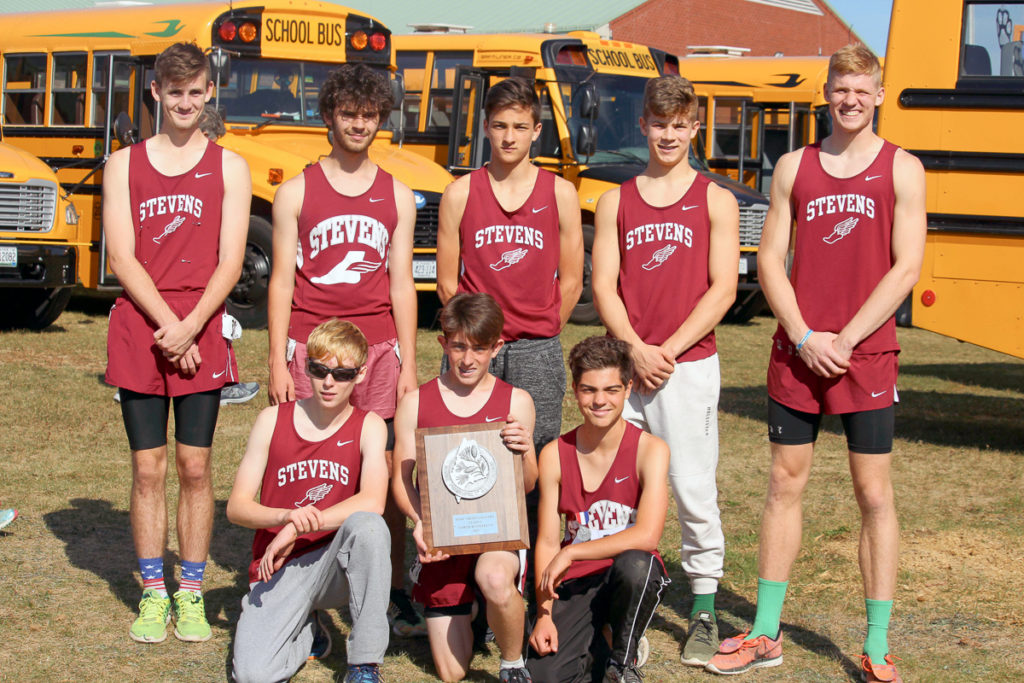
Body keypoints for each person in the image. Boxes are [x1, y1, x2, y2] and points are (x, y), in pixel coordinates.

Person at [705, 45, 925, 683]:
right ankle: (766, 632)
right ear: (825, 93)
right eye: (840, 90)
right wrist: (804, 336)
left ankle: (877, 645)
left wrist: (846, 339)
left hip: (866, 354)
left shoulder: (903, 170)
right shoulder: (794, 166)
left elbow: (905, 267)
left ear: (879, 94)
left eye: (862, 90)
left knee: (874, 494)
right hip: (798, 354)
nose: (850, 100)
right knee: (783, 485)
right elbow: (770, 258)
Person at [102, 42, 251, 644]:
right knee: (148, 467)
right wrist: (171, 325)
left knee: (194, 465)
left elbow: (232, 259)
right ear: (156, 93)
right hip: (144, 323)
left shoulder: (230, 166)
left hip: (202, 320)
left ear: (209, 93)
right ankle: (151, 593)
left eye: (197, 91)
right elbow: (121, 255)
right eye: (175, 91)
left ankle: (190, 591)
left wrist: (193, 327)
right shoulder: (123, 165)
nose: (186, 102)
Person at [266, 62, 422, 635]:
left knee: (382, 469)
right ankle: (305, 585)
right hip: (312, 345)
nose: (359, 124)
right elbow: (281, 280)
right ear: (329, 116)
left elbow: (401, 282)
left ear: (381, 118)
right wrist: (277, 359)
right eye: (348, 113)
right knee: (309, 464)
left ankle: (393, 585)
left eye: (370, 114)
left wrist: (408, 363)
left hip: (378, 349)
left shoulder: (398, 195)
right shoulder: (296, 191)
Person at [591, 74, 739, 666]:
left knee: (693, 489)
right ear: (644, 125)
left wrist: (666, 350)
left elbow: (723, 287)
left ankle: (702, 611)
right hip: (625, 368)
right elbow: (603, 283)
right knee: (614, 489)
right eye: (660, 123)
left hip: (688, 366)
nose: (669, 134)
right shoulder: (614, 200)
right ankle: (622, 606)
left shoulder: (715, 199)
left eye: (681, 125)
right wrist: (634, 349)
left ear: (695, 127)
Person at [228, 319, 390, 683]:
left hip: (337, 565)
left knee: (369, 528)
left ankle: (364, 665)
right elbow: (237, 507)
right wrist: (288, 518)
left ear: (361, 375)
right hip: (280, 566)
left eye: (342, 373)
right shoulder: (272, 419)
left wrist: (301, 526)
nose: (329, 382)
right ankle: (308, 633)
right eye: (320, 370)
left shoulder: (370, 425)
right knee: (254, 676)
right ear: (306, 366)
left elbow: (374, 501)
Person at [392, 293, 538, 682]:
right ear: (444, 343)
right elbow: (401, 480)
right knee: (452, 673)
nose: (467, 359)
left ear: (497, 347)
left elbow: (526, 485)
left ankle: (512, 664)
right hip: (445, 539)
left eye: (478, 348)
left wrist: (526, 453)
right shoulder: (415, 402)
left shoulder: (516, 401)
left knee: (493, 576)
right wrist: (420, 521)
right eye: (458, 346)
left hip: (496, 533)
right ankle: (476, 615)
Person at [436, 76, 583, 455]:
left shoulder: (561, 193)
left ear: (536, 131)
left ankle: (536, 519)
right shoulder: (460, 192)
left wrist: (544, 328)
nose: (509, 137)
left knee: (536, 452)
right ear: (485, 127)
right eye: (500, 126)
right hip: (475, 346)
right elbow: (447, 285)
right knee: (460, 449)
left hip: (536, 348)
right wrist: (473, 339)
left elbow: (571, 282)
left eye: (520, 127)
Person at [527, 336, 670, 683]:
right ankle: (601, 642)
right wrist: (544, 614)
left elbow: (647, 535)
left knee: (638, 565)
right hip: (576, 580)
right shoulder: (554, 454)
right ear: (575, 390)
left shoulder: (651, 450)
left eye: (611, 389)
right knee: (545, 676)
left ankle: (622, 662)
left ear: (628, 388)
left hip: (625, 573)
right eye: (589, 390)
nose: (600, 400)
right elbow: (547, 541)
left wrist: (571, 552)